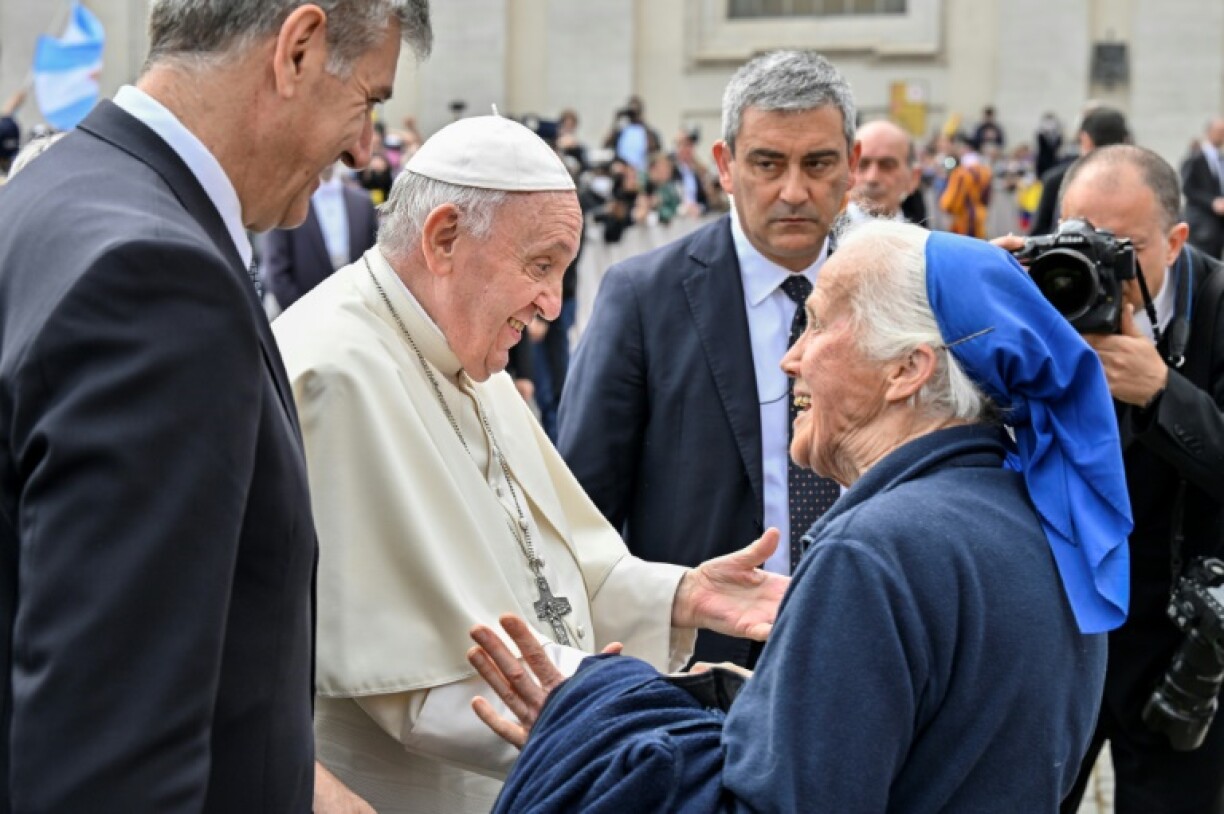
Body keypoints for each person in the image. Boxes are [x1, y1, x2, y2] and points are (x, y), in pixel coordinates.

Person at [470, 219, 1131, 814]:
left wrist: (598, 710)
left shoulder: (875, 550)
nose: (791, 358)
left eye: (816, 324)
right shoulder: (1042, 520)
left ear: (906, 369)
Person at [271, 114, 788, 814]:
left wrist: (680, 595)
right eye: (540, 265)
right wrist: (649, 716)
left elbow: (557, 567)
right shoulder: (338, 371)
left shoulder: (466, 354)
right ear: (444, 237)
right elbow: (421, 679)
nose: (550, 306)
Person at [0, 2, 431, 812]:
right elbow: (111, 763)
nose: (363, 149)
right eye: (367, 101)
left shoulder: (52, 197)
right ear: (297, 50)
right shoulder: (160, 283)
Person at [558, 50, 853, 668]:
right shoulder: (644, 299)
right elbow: (583, 514)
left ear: (850, 166)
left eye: (818, 163)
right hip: (703, 668)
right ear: (724, 166)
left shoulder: (905, 289)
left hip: (870, 644)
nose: (794, 190)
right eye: (768, 163)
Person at [1022, 144, 1224, 814]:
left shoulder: (1218, 305)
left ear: (1176, 239)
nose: (1099, 260)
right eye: (1081, 237)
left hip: (1181, 637)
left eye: (1124, 245)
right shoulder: (1040, 293)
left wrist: (1166, 392)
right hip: (1057, 627)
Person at [262, 162, 379, 311]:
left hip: (357, 312)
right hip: (304, 315)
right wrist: (302, 314)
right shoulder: (288, 202)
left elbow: (373, 261)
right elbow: (277, 269)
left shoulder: (362, 202)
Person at [1029, 105, 1129, 236]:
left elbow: (1038, 235)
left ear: (1085, 139)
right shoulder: (1141, 181)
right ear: (1125, 139)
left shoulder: (1057, 180)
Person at [846, 118, 920, 223]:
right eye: (862, 165)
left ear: (913, 178)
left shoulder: (924, 239)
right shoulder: (822, 237)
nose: (872, 178)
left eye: (887, 165)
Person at [1181, 117, 1224, 260]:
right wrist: (1212, 202)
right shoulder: (1195, 157)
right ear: (1209, 132)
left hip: (1218, 228)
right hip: (1202, 225)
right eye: (1220, 131)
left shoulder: (1220, 159)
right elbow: (1187, 188)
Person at [939, 131, 993, 238]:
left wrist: (944, 206)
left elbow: (951, 200)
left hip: (963, 220)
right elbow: (986, 198)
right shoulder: (986, 172)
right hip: (980, 217)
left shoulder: (961, 173)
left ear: (966, 148)